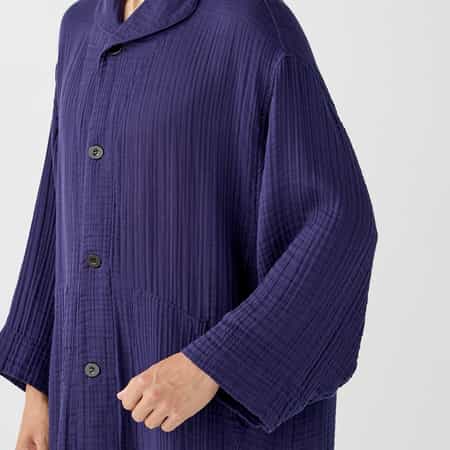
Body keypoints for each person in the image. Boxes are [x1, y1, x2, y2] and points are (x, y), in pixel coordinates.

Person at [0, 1, 378, 449]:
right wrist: (40, 390)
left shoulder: (251, 23)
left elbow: (339, 224)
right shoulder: (79, 27)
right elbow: (59, 203)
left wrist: (213, 364)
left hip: (209, 425)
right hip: (85, 409)